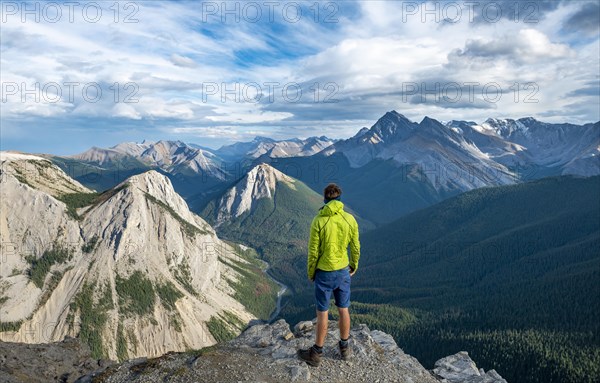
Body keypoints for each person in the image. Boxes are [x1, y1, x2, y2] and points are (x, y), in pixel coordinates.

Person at [297, 183, 360, 367]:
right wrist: (354, 265)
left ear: (324, 199)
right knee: (343, 309)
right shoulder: (350, 219)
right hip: (343, 271)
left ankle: (316, 353)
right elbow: (355, 246)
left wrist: (311, 272)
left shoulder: (319, 220)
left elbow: (313, 251)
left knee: (322, 312)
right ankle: (345, 348)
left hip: (324, 273)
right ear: (340, 199)